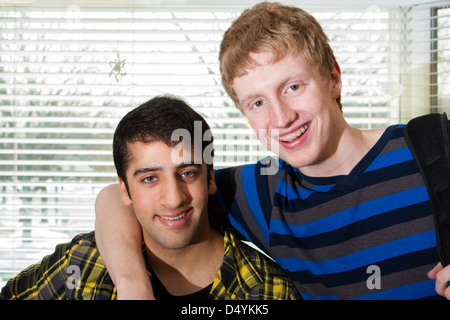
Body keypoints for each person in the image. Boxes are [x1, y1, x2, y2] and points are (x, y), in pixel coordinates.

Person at [94, 2, 450, 300]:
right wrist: (132, 285)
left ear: (333, 78)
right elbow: (118, 196)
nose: (281, 118)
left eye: (293, 86)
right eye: (258, 102)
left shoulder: (435, 149)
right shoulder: (260, 193)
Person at [0, 96, 299, 300]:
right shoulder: (85, 260)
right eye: (150, 179)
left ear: (210, 178)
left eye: (188, 173)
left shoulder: (266, 290)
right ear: (124, 190)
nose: (173, 199)